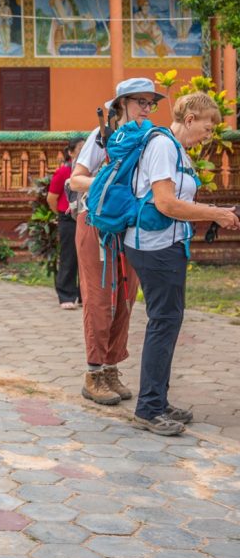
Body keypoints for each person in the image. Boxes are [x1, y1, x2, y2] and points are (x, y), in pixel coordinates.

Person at [124, 92, 240, 435]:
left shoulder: (176, 149)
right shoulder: (163, 146)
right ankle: (148, 408)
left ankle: (157, 401)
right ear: (189, 119)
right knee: (164, 322)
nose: (209, 134)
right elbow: (166, 204)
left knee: (168, 322)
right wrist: (216, 214)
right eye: (207, 126)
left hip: (167, 246)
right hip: (156, 248)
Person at [68, 78, 157, 406]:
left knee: (126, 297)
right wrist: (106, 182)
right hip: (96, 225)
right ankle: (93, 373)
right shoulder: (102, 137)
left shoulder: (149, 139)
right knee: (99, 298)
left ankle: (111, 368)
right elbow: (76, 179)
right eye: (141, 102)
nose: (146, 110)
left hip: (130, 227)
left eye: (151, 104)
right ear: (121, 106)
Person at [47, 140, 83, 309]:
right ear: (71, 153)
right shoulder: (63, 172)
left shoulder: (90, 172)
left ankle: (85, 295)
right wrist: (62, 213)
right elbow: (51, 198)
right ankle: (66, 295)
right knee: (69, 256)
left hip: (86, 216)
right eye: (80, 149)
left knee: (88, 257)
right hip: (68, 219)